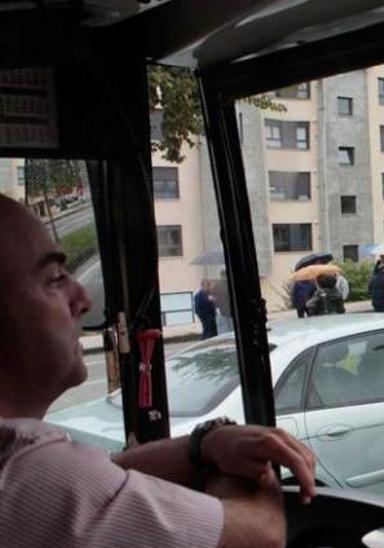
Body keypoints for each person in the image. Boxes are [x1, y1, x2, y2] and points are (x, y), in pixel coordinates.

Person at [0, 195, 318, 548]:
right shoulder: (25, 468)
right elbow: (261, 536)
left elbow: (104, 477)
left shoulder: (34, 474)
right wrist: (251, 468)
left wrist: (205, 444)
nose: (83, 299)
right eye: (55, 278)